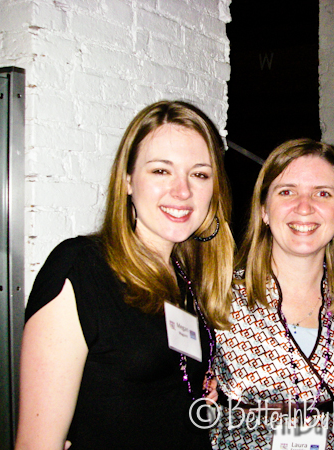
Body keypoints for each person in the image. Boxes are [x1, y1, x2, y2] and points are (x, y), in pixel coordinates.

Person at [15, 100, 235, 450]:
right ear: (128, 180)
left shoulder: (187, 274)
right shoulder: (81, 268)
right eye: (161, 171)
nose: (182, 191)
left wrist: (195, 388)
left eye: (199, 174)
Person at [210, 139, 334, 449]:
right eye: (287, 192)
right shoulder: (219, 295)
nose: (304, 206)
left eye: (322, 193)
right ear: (264, 209)